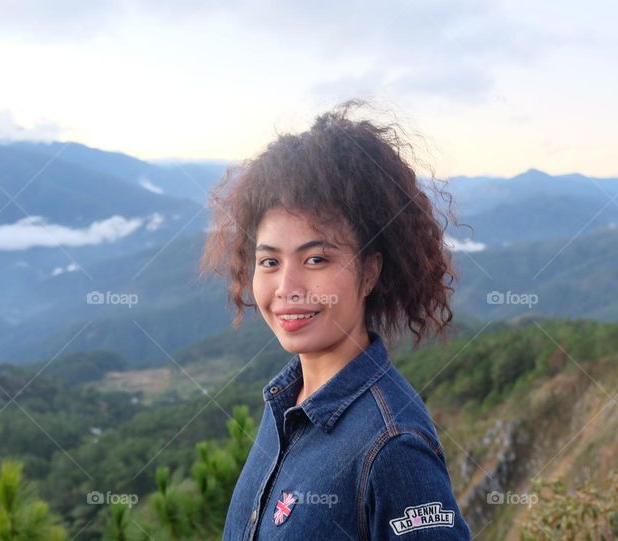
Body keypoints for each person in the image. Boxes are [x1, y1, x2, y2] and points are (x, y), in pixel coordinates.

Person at [200, 99, 472, 540]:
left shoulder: (392, 446)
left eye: (316, 258)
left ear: (370, 272)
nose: (287, 286)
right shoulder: (287, 404)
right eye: (269, 262)